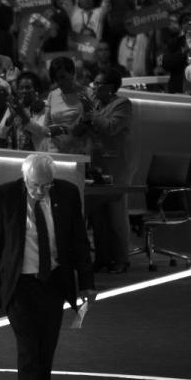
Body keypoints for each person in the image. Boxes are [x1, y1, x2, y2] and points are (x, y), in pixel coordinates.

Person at [0, 153, 96, 380]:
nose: (40, 191)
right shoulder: (5, 196)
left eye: (46, 185)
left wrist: (87, 283)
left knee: (45, 354)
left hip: (53, 285)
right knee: (29, 352)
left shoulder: (67, 195)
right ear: (24, 178)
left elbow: (79, 241)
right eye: (35, 185)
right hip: (20, 288)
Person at [78, 69, 134, 272]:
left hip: (116, 165)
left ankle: (121, 260)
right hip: (95, 164)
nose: (94, 86)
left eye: (98, 83)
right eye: (94, 82)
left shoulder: (122, 104)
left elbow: (111, 128)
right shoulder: (95, 104)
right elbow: (80, 129)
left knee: (115, 213)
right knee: (97, 215)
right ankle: (102, 258)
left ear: (111, 88)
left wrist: (91, 113)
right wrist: (84, 116)